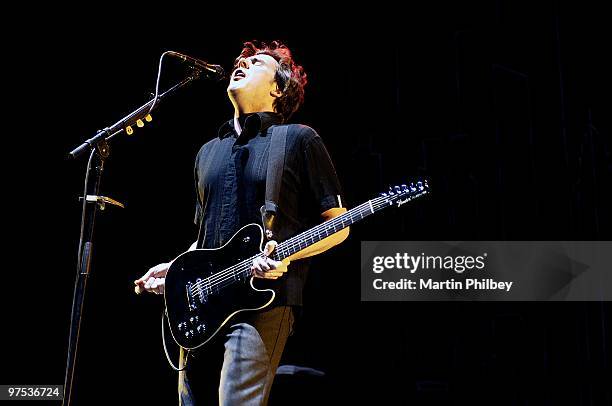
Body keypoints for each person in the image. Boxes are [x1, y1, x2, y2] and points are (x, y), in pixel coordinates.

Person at [134, 40, 349, 405]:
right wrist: (175, 270)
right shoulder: (207, 152)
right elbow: (204, 239)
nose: (242, 62)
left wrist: (286, 256)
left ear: (278, 88)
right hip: (204, 305)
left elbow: (339, 224)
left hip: (263, 301)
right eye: (240, 60)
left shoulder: (297, 138)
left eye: (257, 62)